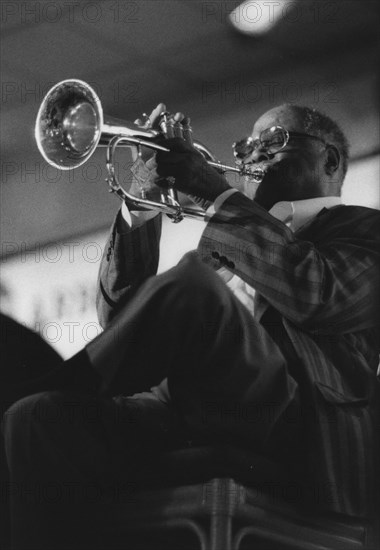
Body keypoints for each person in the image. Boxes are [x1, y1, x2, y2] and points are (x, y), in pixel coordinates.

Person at [2, 104, 380, 549]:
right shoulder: (232, 235)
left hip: (300, 424)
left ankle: (51, 382)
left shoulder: (363, 229)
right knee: (37, 418)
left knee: (193, 283)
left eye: (272, 142)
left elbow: (317, 294)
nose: (251, 156)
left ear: (330, 160)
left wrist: (215, 194)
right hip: (186, 409)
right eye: (246, 146)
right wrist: (141, 203)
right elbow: (124, 322)